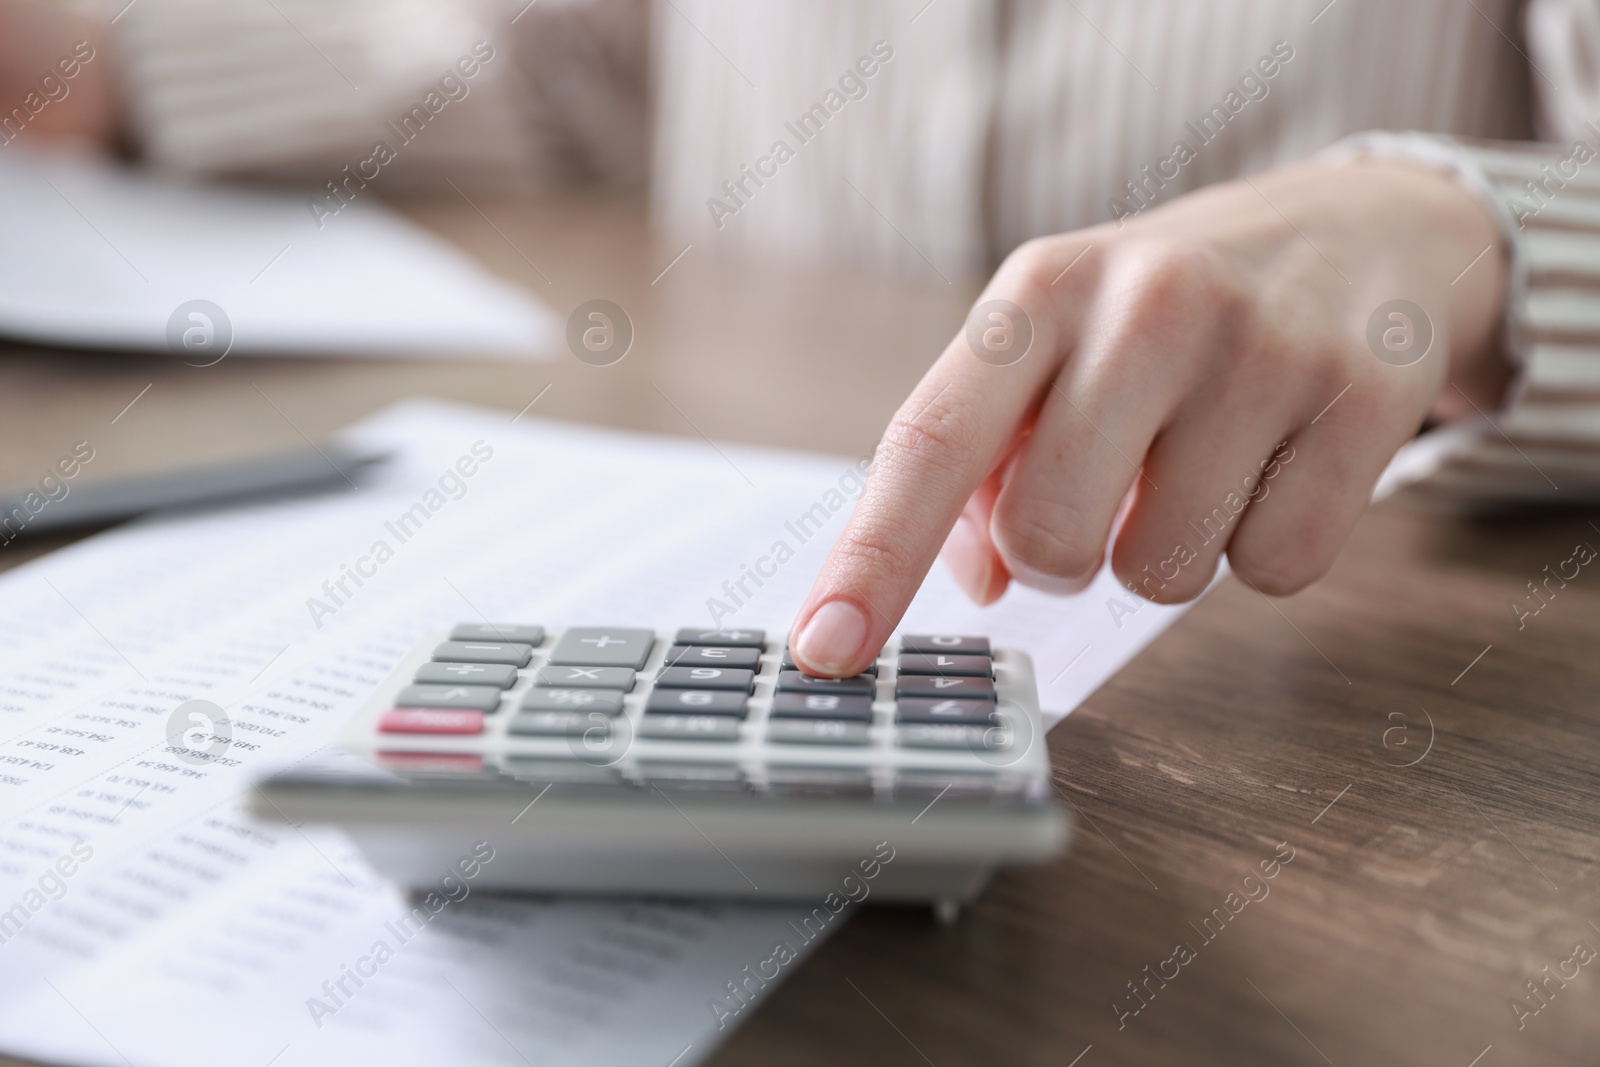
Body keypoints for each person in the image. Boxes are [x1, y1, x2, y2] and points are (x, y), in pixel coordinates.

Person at [4, 0, 1598, 678]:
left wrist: (1447, 236)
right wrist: (101, 56)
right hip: (709, 492)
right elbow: (573, 59)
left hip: (1337, 646)